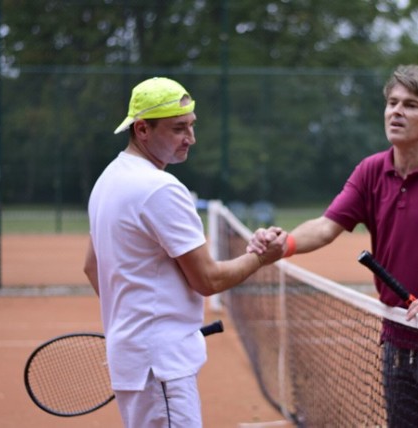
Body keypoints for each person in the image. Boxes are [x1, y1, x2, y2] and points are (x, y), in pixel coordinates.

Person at [248, 65, 418, 427]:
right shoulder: (371, 171)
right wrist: (284, 244)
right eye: (391, 103)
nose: (396, 112)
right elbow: (325, 227)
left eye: (411, 105)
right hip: (397, 334)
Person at [83, 77, 285, 428]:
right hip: (160, 366)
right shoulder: (159, 188)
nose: (190, 138)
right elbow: (207, 279)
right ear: (142, 129)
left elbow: (91, 267)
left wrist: (140, 319)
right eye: (178, 129)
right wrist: (262, 257)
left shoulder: (109, 178)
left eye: (191, 126)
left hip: (138, 359)